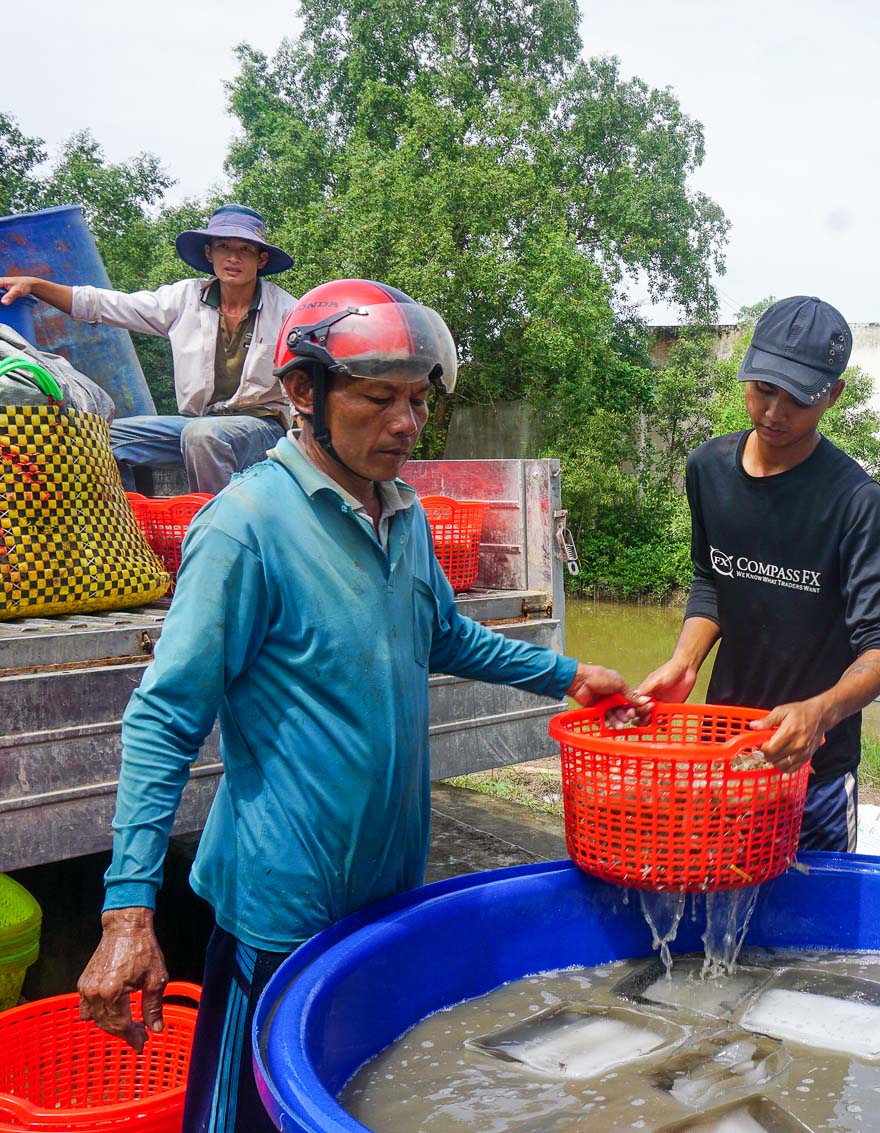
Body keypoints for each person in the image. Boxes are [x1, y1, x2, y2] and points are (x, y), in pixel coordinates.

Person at [75, 279, 647, 1131]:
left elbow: (444, 637)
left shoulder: (402, 512)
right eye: (379, 398)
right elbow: (164, 719)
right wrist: (128, 909)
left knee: (352, 1090)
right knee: (250, 1111)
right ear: (303, 394)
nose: (407, 424)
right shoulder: (247, 527)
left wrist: (568, 675)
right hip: (279, 909)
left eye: (417, 400)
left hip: (384, 892)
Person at [639, 296, 880, 851]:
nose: (775, 413)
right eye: (764, 388)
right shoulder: (707, 469)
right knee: (717, 910)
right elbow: (712, 578)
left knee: (815, 933)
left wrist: (821, 712)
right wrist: (684, 663)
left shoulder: (856, 502)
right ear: (748, 369)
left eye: (799, 398)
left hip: (815, 771)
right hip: (726, 753)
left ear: (833, 394)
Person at [0, 204, 297, 492]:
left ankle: (218, 532)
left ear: (260, 259)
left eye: (245, 249)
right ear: (210, 253)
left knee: (203, 435)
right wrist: (36, 285)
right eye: (224, 247)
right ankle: (129, 532)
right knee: (100, 437)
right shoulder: (185, 298)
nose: (233, 258)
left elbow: (302, 384)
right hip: (200, 422)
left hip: (263, 428)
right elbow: (107, 304)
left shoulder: (287, 311)